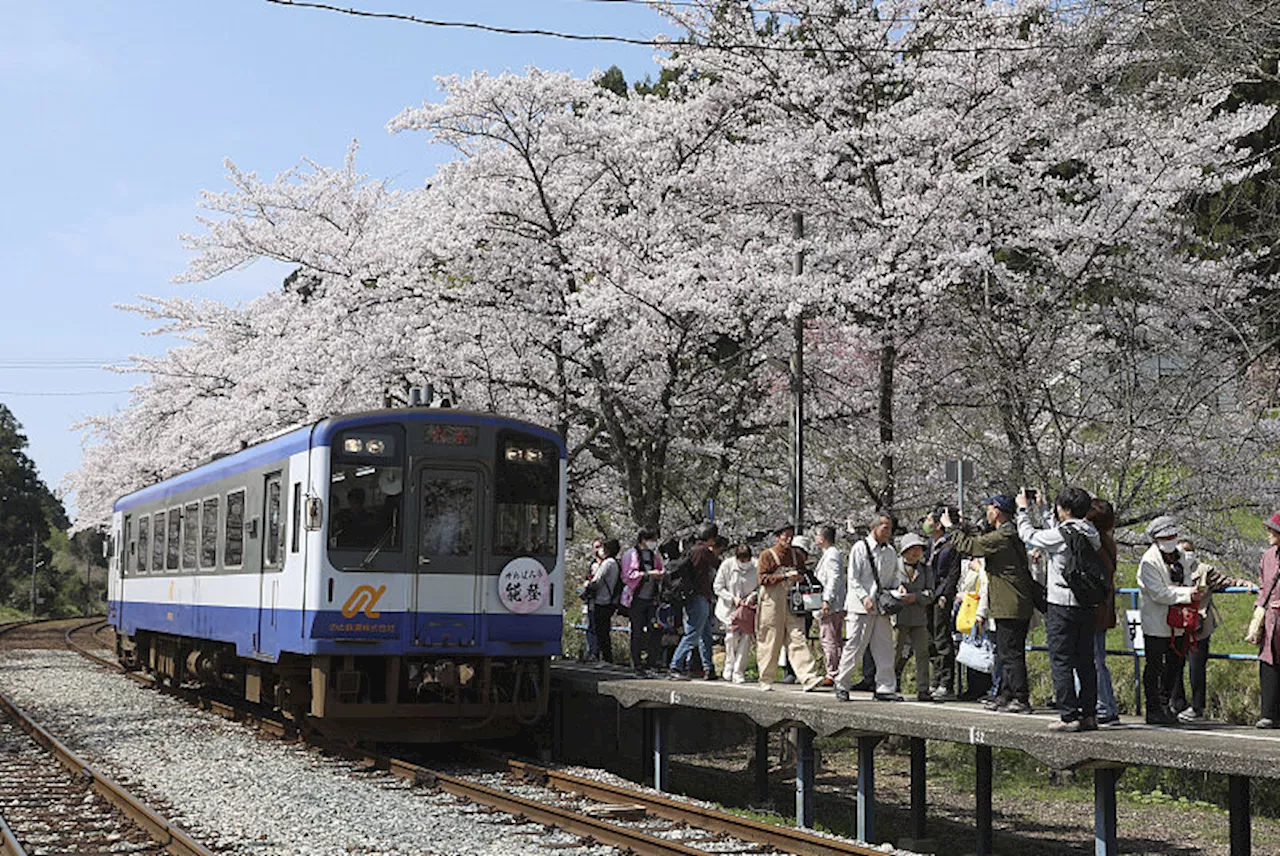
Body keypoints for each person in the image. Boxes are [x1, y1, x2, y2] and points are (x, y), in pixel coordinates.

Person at [1016, 486, 1102, 732]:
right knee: (1086, 661)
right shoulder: (1090, 532)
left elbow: (1029, 535)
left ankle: (1068, 715)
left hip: (1061, 605)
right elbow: (1058, 531)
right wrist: (1044, 510)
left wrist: (1023, 509)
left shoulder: (1062, 535)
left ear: (1065, 510)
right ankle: (1089, 714)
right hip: (1086, 603)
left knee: (1061, 660)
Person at [944, 495, 1035, 713]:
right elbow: (980, 538)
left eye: (989, 507)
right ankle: (1005, 693)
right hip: (1008, 602)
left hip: (1010, 603)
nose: (986, 511)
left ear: (997, 511)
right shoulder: (1006, 533)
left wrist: (951, 528)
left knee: (1011, 653)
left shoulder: (1003, 536)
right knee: (1004, 651)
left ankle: (1020, 697)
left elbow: (970, 546)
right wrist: (963, 525)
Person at [1171, 538, 1257, 722]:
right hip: (1176, 625)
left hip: (1199, 625)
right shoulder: (1171, 569)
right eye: (1182, 551)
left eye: (1189, 550)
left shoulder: (1204, 570)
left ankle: (1197, 707)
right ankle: (1176, 704)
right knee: (1174, 665)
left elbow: (1225, 581)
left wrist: (1244, 583)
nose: (1186, 555)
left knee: (1196, 667)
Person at [1135, 515, 1203, 725]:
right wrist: (1186, 594)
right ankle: (1153, 708)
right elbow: (1158, 593)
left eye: (1173, 536)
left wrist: (1183, 591)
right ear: (1156, 539)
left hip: (1180, 622)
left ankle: (1167, 703)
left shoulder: (1181, 556)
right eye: (1166, 537)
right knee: (1154, 665)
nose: (1171, 540)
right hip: (1156, 621)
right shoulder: (1149, 561)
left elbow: (1188, 578)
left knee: (1176, 663)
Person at [835, 513, 902, 702]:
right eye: (885, 528)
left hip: (881, 607)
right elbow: (853, 578)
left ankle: (885, 687)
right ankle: (842, 683)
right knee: (855, 646)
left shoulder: (890, 551)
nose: (888, 532)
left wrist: (898, 587)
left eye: (890, 528)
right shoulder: (860, 548)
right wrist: (864, 596)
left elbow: (892, 578)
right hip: (860, 607)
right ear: (874, 527)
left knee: (885, 647)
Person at [755, 523, 823, 692]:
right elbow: (762, 579)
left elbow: (803, 573)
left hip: (793, 597)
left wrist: (798, 577)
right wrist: (784, 576)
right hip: (772, 598)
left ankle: (808, 677)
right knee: (771, 637)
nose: (788, 539)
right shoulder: (767, 555)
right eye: (785, 536)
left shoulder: (797, 555)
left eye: (791, 536)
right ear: (777, 537)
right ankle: (766, 678)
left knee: (797, 636)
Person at [670, 524, 722, 681]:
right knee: (693, 634)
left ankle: (708, 668)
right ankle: (675, 665)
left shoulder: (691, 549)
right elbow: (718, 564)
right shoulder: (704, 551)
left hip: (694, 596)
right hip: (699, 596)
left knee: (705, 634)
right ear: (711, 539)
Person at [1086, 499, 1120, 724]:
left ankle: (1104, 706)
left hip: (1094, 608)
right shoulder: (1107, 541)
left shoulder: (1096, 544)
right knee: (1097, 658)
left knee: (1094, 659)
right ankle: (1104, 704)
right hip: (1103, 606)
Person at [925, 509, 962, 702]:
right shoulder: (929, 544)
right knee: (930, 638)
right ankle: (935, 677)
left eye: (930, 519)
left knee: (942, 637)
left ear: (939, 524)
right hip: (928, 594)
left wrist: (946, 595)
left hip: (941, 595)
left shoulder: (949, 544)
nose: (926, 523)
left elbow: (952, 574)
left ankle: (946, 682)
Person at [893, 533, 934, 701]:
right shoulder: (894, 566)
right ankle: (889, 684)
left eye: (919, 549)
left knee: (922, 653)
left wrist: (916, 597)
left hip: (919, 617)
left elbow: (931, 593)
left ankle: (923, 688)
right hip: (898, 616)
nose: (916, 552)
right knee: (895, 651)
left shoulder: (925, 569)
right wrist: (898, 593)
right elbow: (886, 587)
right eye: (913, 549)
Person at [620, 528, 665, 676]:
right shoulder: (631, 554)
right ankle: (637, 663)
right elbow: (628, 575)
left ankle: (651, 661)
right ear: (643, 540)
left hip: (651, 598)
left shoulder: (654, 555)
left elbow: (660, 569)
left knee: (655, 629)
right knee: (637, 631)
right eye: (652, 539)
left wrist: (658, 575)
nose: (653, 543)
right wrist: (647, 574)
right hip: (636, 598)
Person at [714, 544, 759, 683]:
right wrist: (732, 598)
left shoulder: (756, 565)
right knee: (730, 638)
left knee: (746, 639)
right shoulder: (727, 565)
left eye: (747, 561)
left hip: (748, 610)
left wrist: (753, 595)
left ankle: (739, 671)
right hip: (729, 609)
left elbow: (761, 585)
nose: (744, 564)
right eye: (742, 561)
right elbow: (718, 587)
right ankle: (729, 666)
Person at [1252, 512, 1280, 728]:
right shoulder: (1268, 556)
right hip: (1270, 620)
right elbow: (1263, 584)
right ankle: (1268, 713)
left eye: (1273, 529)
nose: (1269, 532)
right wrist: (1258, 612)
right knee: (1268, 662)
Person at [813, 524, 846, 687]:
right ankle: (836, 671)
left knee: (829, 639)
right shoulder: (831, 554)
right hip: (835, 604)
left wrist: (827, 599)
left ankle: (833, 673)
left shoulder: (831, 555)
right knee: (835, 638)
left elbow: (833, 579)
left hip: (832, 605)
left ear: (822, 538)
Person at [586, 538, 622, 664]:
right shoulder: (616, 563)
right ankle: (606, 658)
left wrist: (587, 586)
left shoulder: (608, 563)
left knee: (601, 631)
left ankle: (606, 659)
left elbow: (597, 581)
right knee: (604, 630)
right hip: (609, 601)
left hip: (602, 601)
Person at [582, 539, 605, 661]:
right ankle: (590, 651)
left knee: (599, 627)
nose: (597, 550)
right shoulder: (592, 564)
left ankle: (597, 653)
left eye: (599, 547)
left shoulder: (608, 564)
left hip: (603, 599)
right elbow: (587, 578)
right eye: (595, 547)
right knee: (590, 626)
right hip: (591, 599)